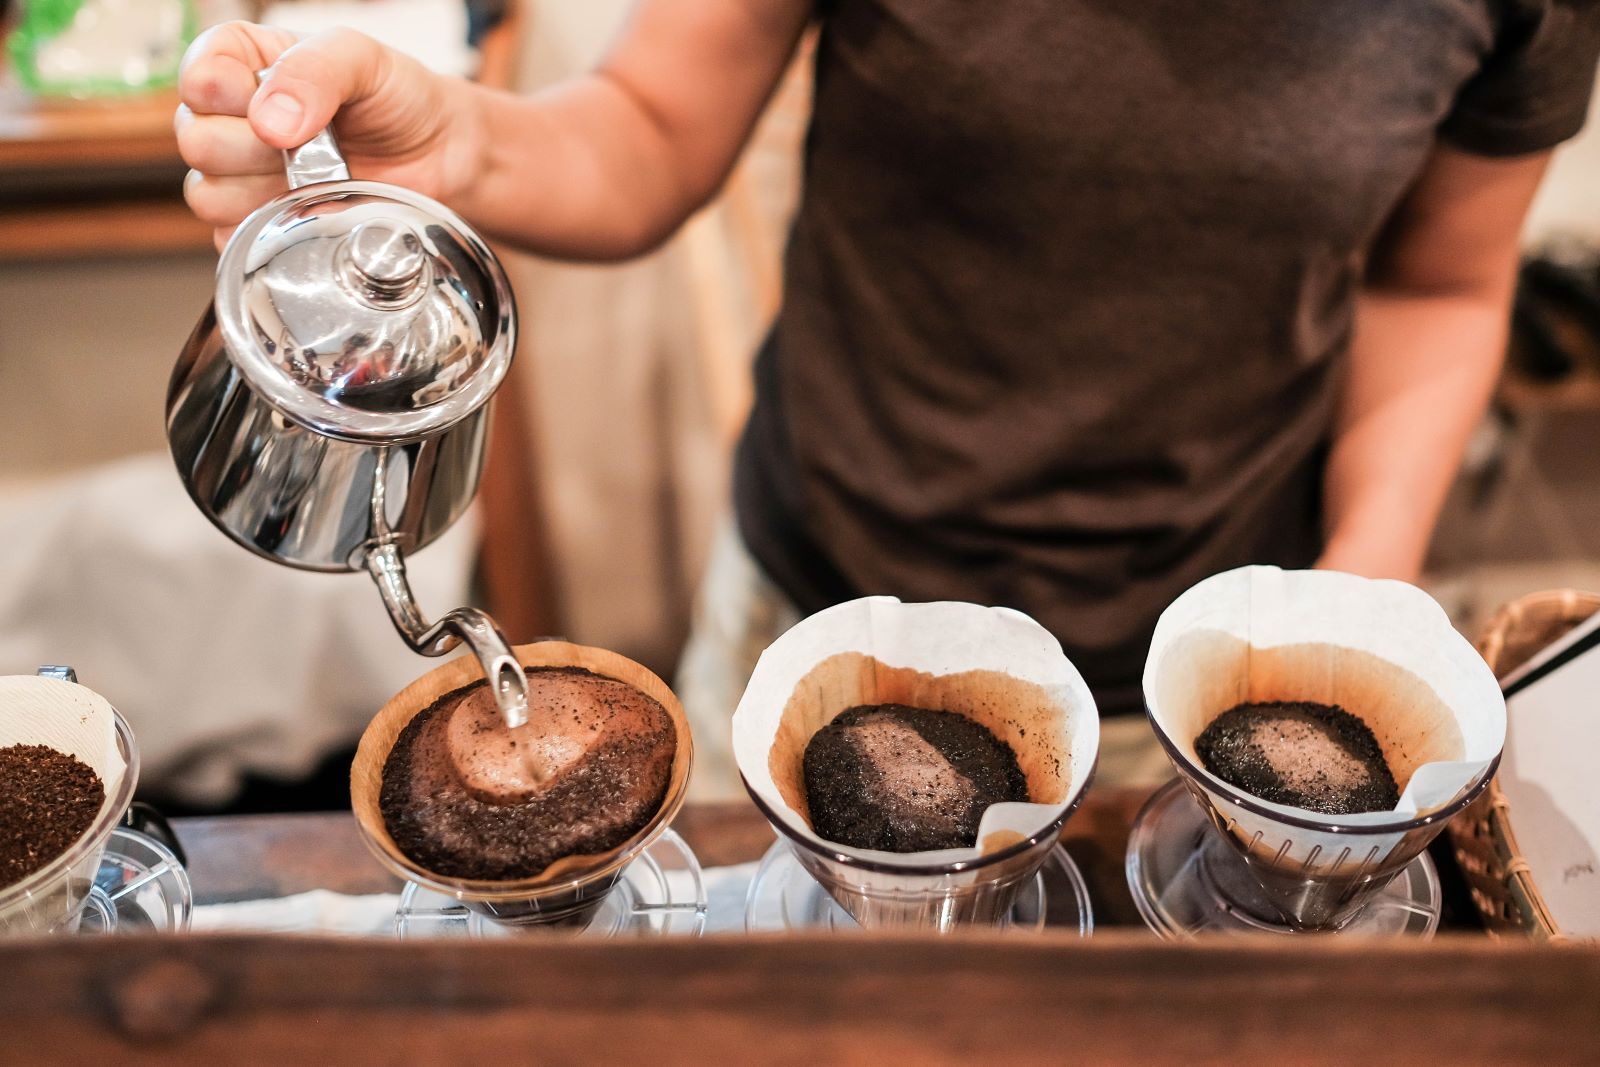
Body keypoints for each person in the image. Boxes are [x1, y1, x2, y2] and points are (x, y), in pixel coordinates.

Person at [176, 1, 1600, 791]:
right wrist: (460, 151)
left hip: (1206, 663)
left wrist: (1351, 608)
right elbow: (652, 129)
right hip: (820, 598)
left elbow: (1441, 284)